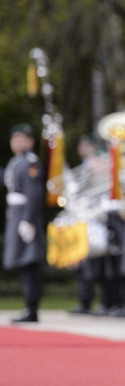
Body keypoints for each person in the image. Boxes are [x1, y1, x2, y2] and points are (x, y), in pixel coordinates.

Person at [4, 124, 46, 323]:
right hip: (15, 214)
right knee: (21, 263)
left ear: (30, 142)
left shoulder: (31, 162)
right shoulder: (16, 162)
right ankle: (28, 306)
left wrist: (28, 220)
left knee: (28, 262)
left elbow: (34, 193)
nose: (17, 143)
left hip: (24, 215)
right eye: (14, 140)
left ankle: (32, 308)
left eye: (21, 139)